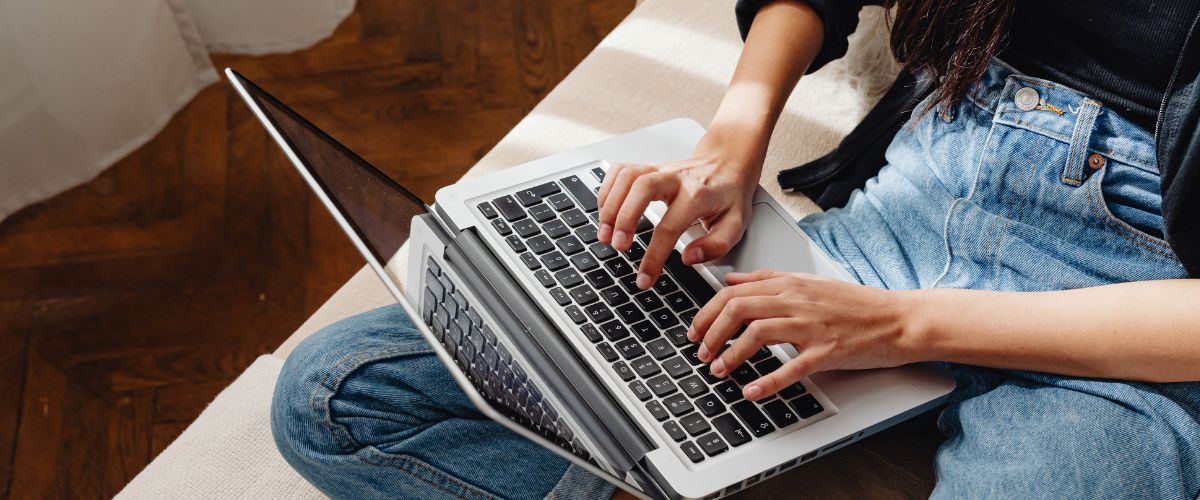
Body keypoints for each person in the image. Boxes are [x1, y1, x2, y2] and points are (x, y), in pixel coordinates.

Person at [270, 1, 1200, 498]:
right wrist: (729, 143)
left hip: (1131, 307)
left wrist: (902, 322)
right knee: (342, 395)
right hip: (929, 184)